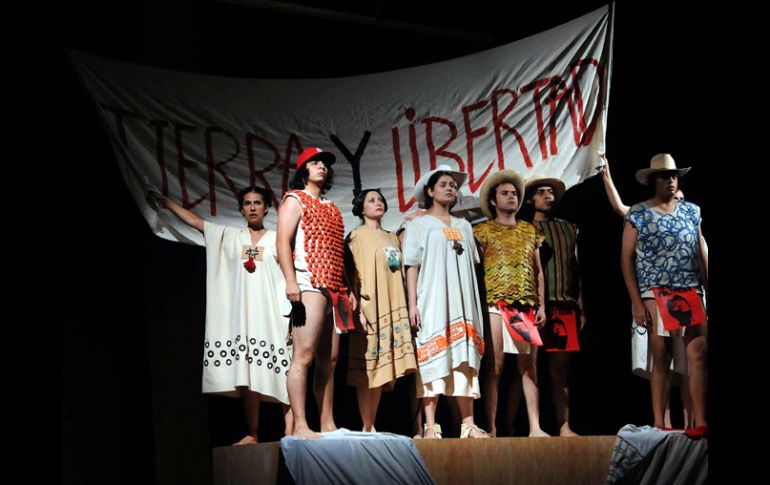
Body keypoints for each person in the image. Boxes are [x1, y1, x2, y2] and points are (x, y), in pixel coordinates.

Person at [148, 185, 293, 444]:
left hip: (273, 314)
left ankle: (291, 431)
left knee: (285, 371)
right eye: (247, 203)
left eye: (257, 203)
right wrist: (168, 204)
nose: (252, 207)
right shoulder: (231, 236)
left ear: (266, 208)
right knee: (248, 374)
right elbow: (196, 223)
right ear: (241, 209)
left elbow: (289, 275)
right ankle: (253, 433)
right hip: (245, 316)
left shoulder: (277, 239)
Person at [601, 155, 693, 428]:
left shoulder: (688, 222)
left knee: (688, 364)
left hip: (686, 295)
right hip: (655, 295)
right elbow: (619, 208)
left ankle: (691, 423)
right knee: (661, 359)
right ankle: (663, 422)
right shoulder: (645, 215)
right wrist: (606, 175)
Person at [620, 153, 708, 438]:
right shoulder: (639, 213)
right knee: (661, 353)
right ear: (653, 181)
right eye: (663, 176)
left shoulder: (691, 211)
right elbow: (626, 258)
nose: (670, 180)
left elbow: (701, 251)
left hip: (690, 287)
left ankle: (700, 421)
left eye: (673, 175)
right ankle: (660, 422)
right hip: (657, 290)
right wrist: (636, 302)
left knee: (698, 352)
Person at [402, 164, 490, 439]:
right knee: (433, 358)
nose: (450, 188)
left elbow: (472, 263)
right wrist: (412, 304)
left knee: (464, 357)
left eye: (453, 185)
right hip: (433, 298)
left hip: (462, 300)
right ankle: (431, 425)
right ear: (430, 191)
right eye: (444, 184)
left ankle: (468, 424)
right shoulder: (418, 224)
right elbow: (411, 266)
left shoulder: (464, 226)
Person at [276, 147, 349, 439]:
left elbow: (338, 252)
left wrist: (347, 288)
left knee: (329, 359)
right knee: (303, 355)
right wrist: (290, 281)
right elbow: (282, 242)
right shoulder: (295, 199)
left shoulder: (331, 206)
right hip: (309, 282)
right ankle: (300, 424)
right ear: (303, 169)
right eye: (315, 163)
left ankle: (327, 422)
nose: (321, 167)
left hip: (335, 288)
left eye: (324, 164)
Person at [473, 170, 549, 438]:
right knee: (494, 366)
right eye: (505, 193)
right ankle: (492, 428)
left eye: (514, 193)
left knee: (529, 366)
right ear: (494, 200)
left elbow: (538, 271)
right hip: (495, 302)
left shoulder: (529, 230)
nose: (511, 197)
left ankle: (535, 426)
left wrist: (541, 305)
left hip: (524, 305)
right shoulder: (482, 231)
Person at [344, 188, 418, 432]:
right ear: (361, 208)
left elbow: (402, 268)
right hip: (370, 306)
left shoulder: (391, 237)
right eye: (371, 200)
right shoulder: (357, 236)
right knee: (368, 367)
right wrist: (357, 307)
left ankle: (371, 424)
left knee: (384, 371)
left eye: (380, 199)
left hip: (393, 304)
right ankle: (366, 425)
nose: (377, 203)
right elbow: (351, 275)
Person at [522, 176, 585, 436]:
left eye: (550, 192)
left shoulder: (568, 228)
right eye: (541, 192)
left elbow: (576, 269)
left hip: (564, 305)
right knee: (528, 368)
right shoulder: (524, 228)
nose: (548, 196)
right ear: (530, 199)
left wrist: (581, 306)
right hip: (531, 307)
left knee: (560, 370)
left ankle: (563, 425)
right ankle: (527, 427)